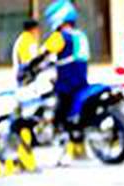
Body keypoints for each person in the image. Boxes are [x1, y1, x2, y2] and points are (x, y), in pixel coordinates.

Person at [28, 0, 90, 158]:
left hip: (67, 83)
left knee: (59, 115)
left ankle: (63, 143)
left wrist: (30, 66)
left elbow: (44, 53)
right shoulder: (80, 35)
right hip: (81, 81)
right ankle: (78, 146)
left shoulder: (60, 37)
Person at [12, 19, 41, 85]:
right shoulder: (28, 40)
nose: (39, 31)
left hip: (22, 72)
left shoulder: (23, 37)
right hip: (24, 74)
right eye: (37, 28)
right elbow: (29, 60)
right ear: (33, 29)